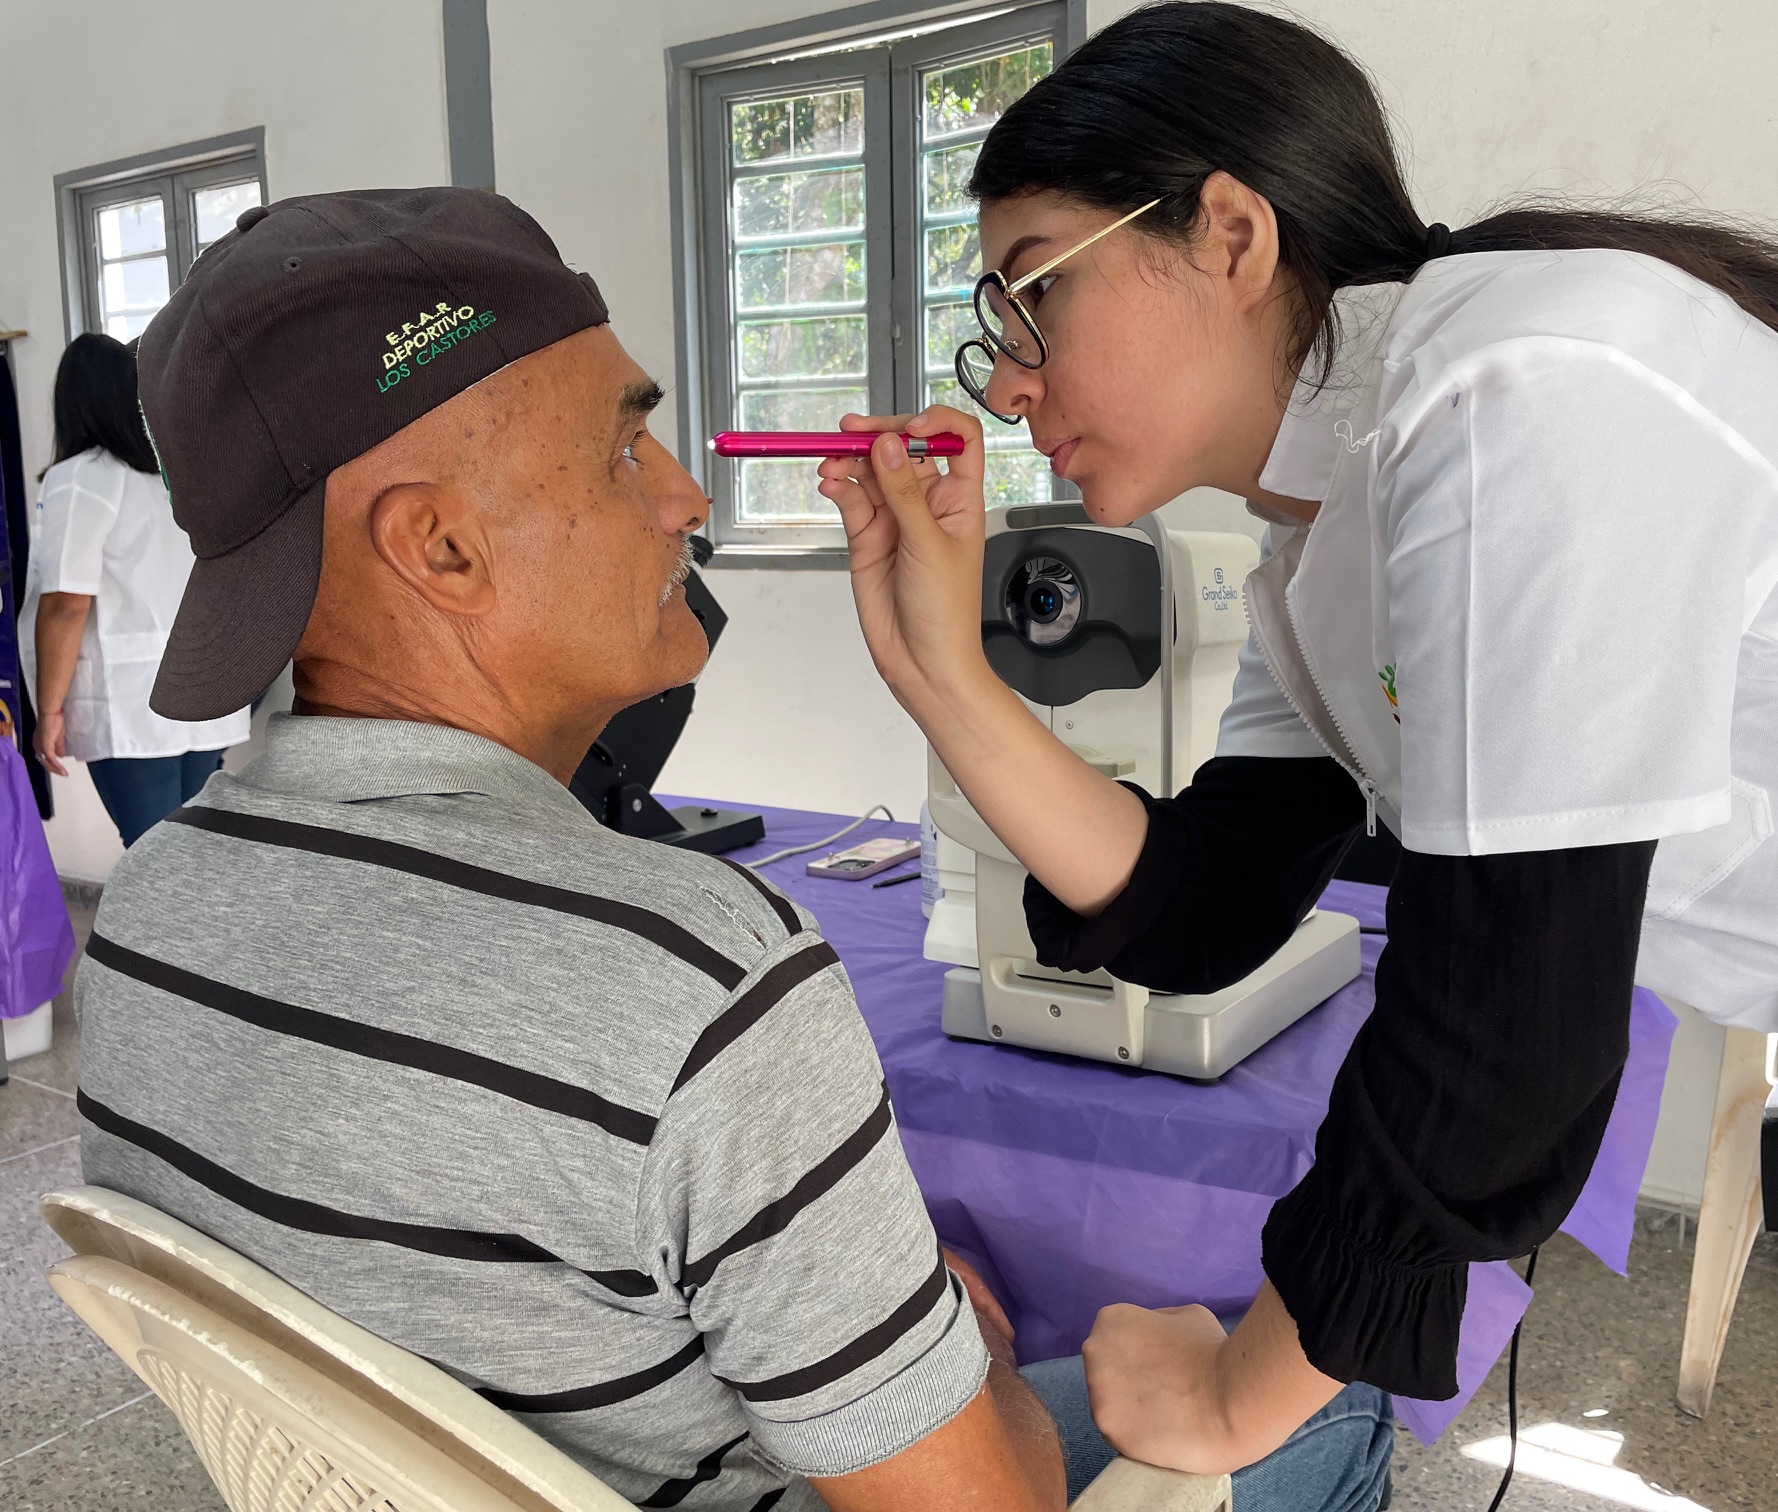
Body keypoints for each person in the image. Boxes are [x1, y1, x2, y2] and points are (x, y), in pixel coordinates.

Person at [817, 6, 1778, 1509]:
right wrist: (941, 670)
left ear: (1233, 235)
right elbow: (1202, 902)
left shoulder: (1519, 386)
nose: (1005, 384)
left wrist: (1246, 1391)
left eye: (1032, 296)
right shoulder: (1313, 538)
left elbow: (1506, 1031)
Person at [75, 187, 1388, 1512]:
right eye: (619, 452)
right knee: (1336, 1390)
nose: (684, 498)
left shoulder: (146, 916)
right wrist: (965, 1338)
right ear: (444, 546)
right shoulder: (687, 973)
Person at [20, 333, 248, 844]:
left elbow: (65, 604)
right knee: (192, 852)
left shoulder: (81, 478)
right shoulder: (173, 475)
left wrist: (49, 712)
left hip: (130, 703)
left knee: (155, 860)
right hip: (200, 689)